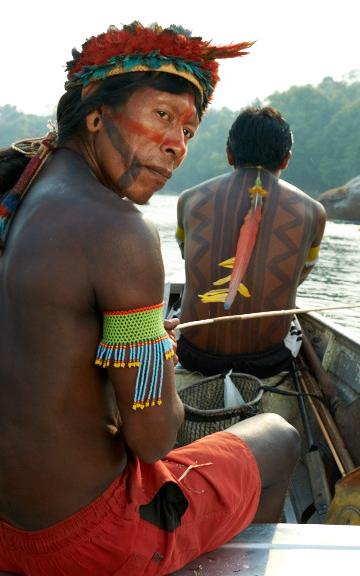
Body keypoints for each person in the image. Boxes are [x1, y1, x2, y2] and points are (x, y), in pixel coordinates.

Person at [0, 25, 300, 576]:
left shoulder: (15, 200)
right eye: (163, 115)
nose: (177, 145)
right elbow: (154, 438)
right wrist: (157, 347)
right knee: (278, 437)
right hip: (84, 539)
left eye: (188, 129)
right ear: (95, 114)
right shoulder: (119, 231)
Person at [176, 106, 327, 378]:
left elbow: (189, 257)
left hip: (194, 353)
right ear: (286, 160)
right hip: (268, 359)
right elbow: (299, 275)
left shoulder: (189, 199)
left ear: (229, 153)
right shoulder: (314, 212)